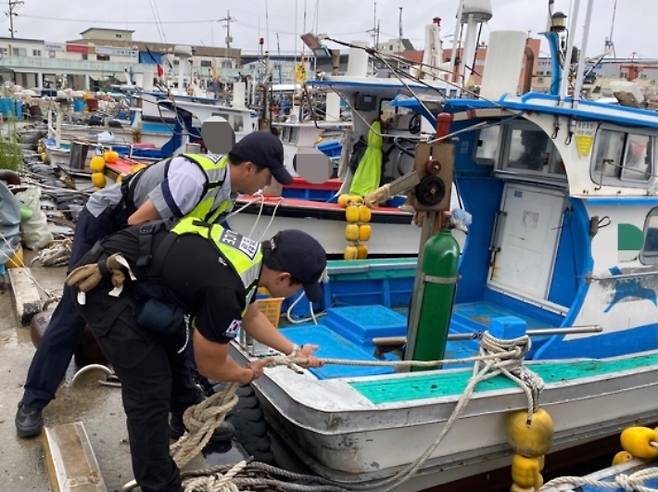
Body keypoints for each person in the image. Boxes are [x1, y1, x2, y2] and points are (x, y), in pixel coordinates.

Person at [15, 131, 294, 438]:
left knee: (174, 322)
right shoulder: (194, 179)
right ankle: (33, 401)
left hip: (151, 244)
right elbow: (136, 222)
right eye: (268, 177)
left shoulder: (229, 193)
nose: (267, 186)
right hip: (110, 224)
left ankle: (182, 413)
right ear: (250, 168)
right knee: (74, 308)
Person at [67, 217, 325, 492]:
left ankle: (185, 418)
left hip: (141, 282)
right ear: (284, 277)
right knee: (149, 389)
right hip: (104, 287)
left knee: (176, 345)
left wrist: (294, 351)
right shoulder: (227, 289)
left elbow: (251, 315)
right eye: (299, 288)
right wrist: (245, 374)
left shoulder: (249, 259)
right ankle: (159, 484)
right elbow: (210, 364)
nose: (295, 294)